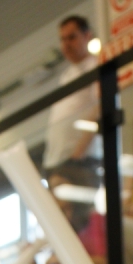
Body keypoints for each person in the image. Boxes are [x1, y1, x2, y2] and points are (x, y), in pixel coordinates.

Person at [43, 15, 100, 181]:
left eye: (72, 37)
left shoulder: (96, 65)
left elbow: (100, 108)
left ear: (87, 36)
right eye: (63, 39)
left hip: (80, 160)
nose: (66, 44)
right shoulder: (66, 76)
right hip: (56, 161)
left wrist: (77, 155)